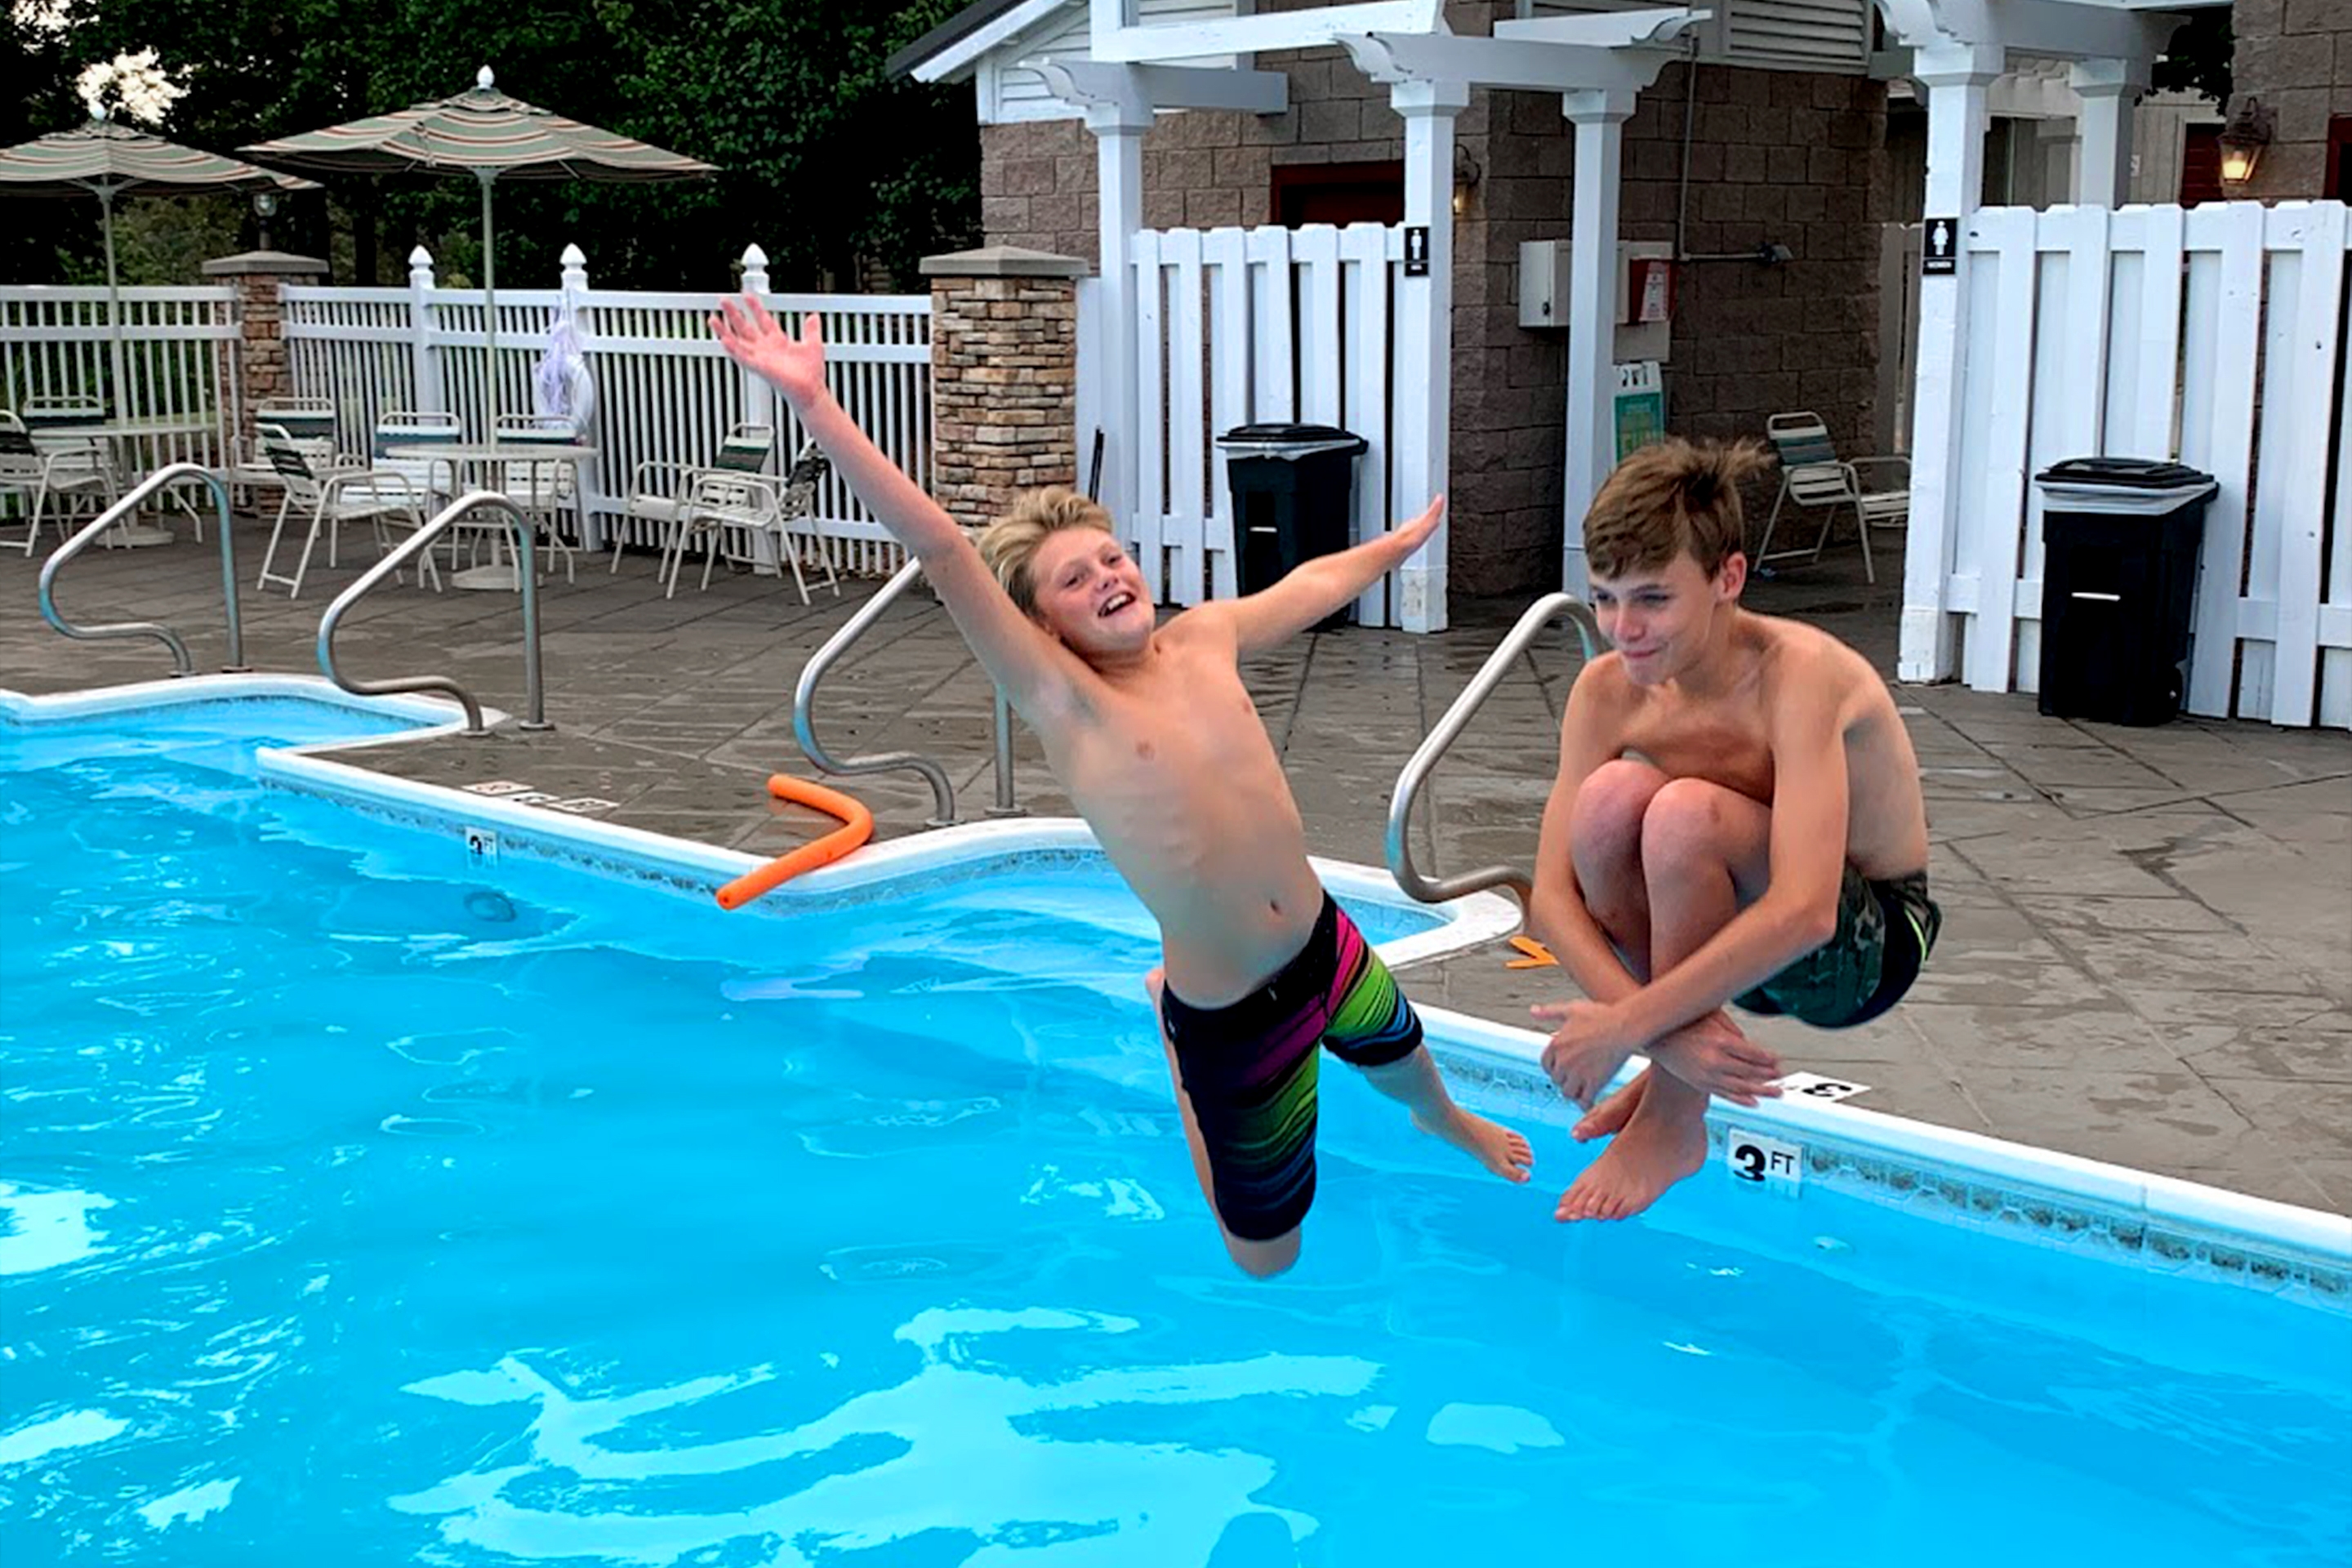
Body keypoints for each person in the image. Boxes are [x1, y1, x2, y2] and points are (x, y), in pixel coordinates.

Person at [711, 295, 1531, 1277]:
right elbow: (941, 548)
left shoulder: (1204, 639)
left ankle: (1451, 1123)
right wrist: (816, 407)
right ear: (1048, 630)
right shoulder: (1068, 704)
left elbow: (1303, 589)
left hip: (1325, 939)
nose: (1107, 576)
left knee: (1404, 1058)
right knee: (1264, 1257)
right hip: (1233, 1004)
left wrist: (1391, 550)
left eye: (1111, 556)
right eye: (1074, 579)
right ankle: (1184, 1059)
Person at [1525, 437, 1940, 1223]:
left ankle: (1674, 1120)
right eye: (1606, 597)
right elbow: (1549, 896)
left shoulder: (1798, 676)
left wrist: (1625, 1027)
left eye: (1653, 598)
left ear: (1729, 579)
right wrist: (1657, 1037)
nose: (1624, 628)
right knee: (1611, 799)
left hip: (1866, 946)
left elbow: (1810, 910)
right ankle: (1682, 1066)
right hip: (1734, 950)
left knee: (1685, 814)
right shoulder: (1605, 694)